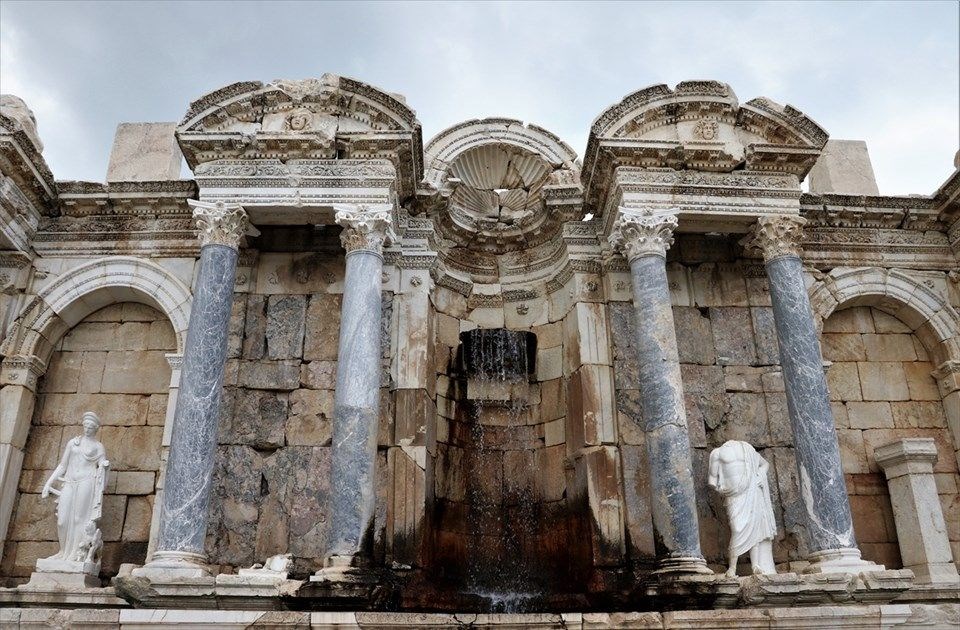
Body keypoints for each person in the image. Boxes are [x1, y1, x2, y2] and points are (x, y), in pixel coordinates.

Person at [41, 411, 110, 564]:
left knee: (80, 518)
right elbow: (62, 465)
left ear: (96, 428)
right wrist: (48, 483)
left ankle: (75, 553)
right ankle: (63, 552)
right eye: (85, 426)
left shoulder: (98, 447)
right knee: (62, 520)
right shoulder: (73, 442)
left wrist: (106, 467)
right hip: (70, 481)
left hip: (87, 481)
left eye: (91, 427)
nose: (87, 429)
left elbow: (102, 468)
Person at [708, 440, 777, 576]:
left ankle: (755, 566)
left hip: (751, 492)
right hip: (733, 495)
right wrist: (723, 490)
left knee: (754, 529)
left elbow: (765, 464)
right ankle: (732, 567)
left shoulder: (748, 449)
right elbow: (711, 480)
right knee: (737, 528)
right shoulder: (717, 453)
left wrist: (759, 476)